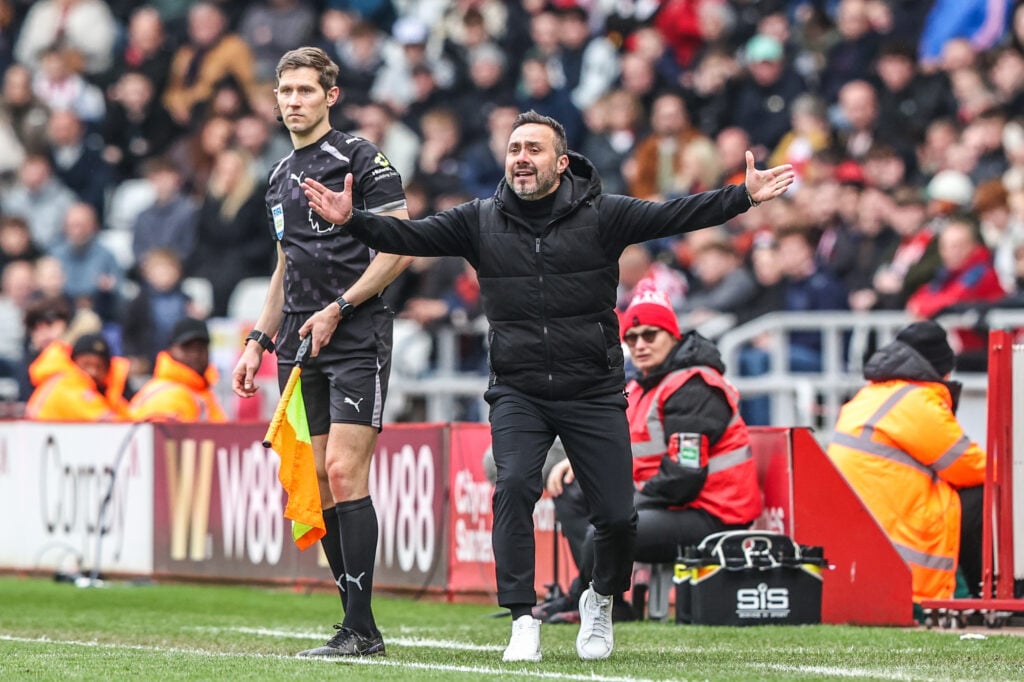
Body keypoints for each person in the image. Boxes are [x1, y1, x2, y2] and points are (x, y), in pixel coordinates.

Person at [300, 109, 793, 662]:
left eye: (533, 149)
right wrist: (353, 222)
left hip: (594, 390)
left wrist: (742, 198)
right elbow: (410, 235)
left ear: (561, 163)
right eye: (514, 149)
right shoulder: (478, 220)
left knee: (616, 516)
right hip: (518, 390)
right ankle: (522, 619)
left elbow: (673, 214)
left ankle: (600, 602)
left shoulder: (603, 215)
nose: (521, 158)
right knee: (512, 486)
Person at [231, 47, 412, 659]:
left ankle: (362, 628)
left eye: (306, 90)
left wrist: (343, 307)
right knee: (322, 484)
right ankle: (353, 625)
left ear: (330, 96)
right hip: (298, 344)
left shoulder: (361, 157)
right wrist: (258, 339)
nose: (293, 101)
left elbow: (400, 247)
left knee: (342, 470)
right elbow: (286, 265)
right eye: (285, 91)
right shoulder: (280, 176)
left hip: (357, 333)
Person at [539, 286, 763, 623]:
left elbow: (684, 476)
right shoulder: (646, 384)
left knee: (605, 531)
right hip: (672, 503)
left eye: (650, 335)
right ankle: (608, 602)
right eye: (632, 338)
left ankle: (587, 599)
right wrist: (582, 464)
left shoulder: (694, 386)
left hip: (712, 513)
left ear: (672, 335)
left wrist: (626, 507)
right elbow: (626, 448)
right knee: (573, 491)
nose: (640, 345)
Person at [827, 320, 985, 604]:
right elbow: (972, 467)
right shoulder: (916, 401)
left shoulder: (872, 394)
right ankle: (986, 594)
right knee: (989, 496)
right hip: (904, 556)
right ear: (942, 368)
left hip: (867, 541)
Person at [131, 317, 226, 422]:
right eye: (187, 347)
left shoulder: (199, 391)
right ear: (171, 349)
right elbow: (161, 437)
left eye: (201, 347)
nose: (195, 354)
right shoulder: (168, 396)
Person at [25, 332, 131, 421]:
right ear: (75, 361)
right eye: (87, 364)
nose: (93, 372)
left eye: (99, 366)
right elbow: (109, 422)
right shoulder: (68, 384)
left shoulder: (63, 379)